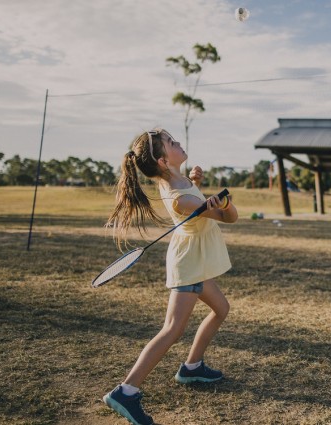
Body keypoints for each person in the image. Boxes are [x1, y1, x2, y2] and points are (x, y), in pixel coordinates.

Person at [101, 129, 237, 425]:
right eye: (172, 143)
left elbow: (188, 192)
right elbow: (230, 218)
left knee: (221, 309)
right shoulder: (180, 198)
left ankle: (192, 366)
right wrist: (224, 204)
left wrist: (197, 184)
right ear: (163, 160)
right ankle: (126, 390)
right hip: (189, 265)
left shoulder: (178, 181)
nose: (178, 143)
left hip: (195, 261)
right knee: (173, 329)